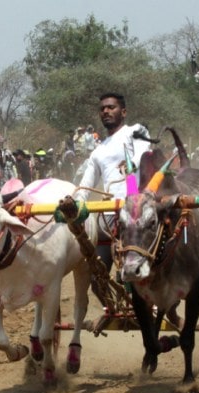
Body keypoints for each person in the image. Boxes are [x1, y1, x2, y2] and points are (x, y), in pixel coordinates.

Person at [74, 92, 150, 269]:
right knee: (97, 275)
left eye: (111, 107)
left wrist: (131, 164)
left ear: (123, 112)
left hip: (135, 211)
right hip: (108, 216)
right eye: (102, 109)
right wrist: (76, 201)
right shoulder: (98, 151)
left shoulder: (135, 131)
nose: (106, 111)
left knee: (131, 272)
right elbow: (86, 184)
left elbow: (142, 154)